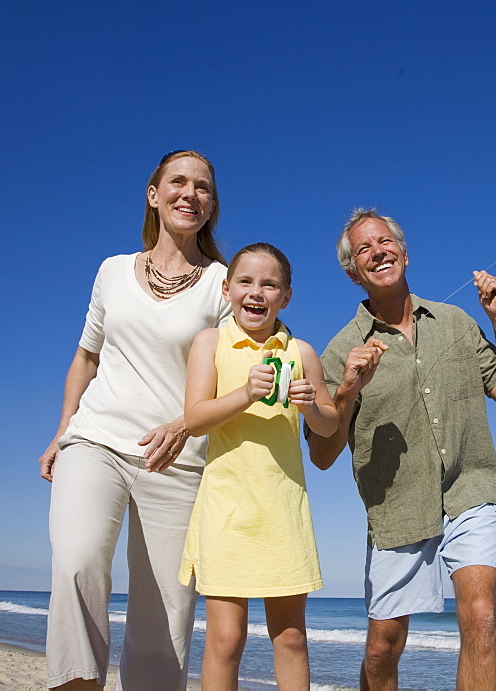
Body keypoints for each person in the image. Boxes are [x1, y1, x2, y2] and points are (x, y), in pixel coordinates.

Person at [308, 208, 496, 690]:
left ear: (404, 252)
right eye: (363, 249)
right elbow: (321, 456)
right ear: (352, 272)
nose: (377, 251)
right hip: (398, 509)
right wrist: (346, 389)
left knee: (482, 616)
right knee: (383, 646)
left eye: (384, 241)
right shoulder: (341, 350)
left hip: (471, 489)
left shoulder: (455, 321)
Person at [38, 150, 232, 690]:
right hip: (95, 440)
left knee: (165, 613)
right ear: (154, 194)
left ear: (212, 205)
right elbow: (87, 356)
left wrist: (183, 425)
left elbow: (231, 372)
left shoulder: (223, 283)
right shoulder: (112, 270)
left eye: (202, 187)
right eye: (177, 182)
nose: (189, 193)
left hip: (178, 456)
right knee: (76, 562)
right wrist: (62, 431)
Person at [179, 242, 338, 689]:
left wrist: (311, 408)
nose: (256, 292)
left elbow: (329, 426)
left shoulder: (302, 352)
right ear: (227, 289)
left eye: (269, 285)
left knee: (290, 638)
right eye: (245, 282)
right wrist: (245, 393)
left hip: (282, 511)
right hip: (226, 509)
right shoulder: (210, 342)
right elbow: (193, 420)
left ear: (285, 297)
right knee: (226, 639)